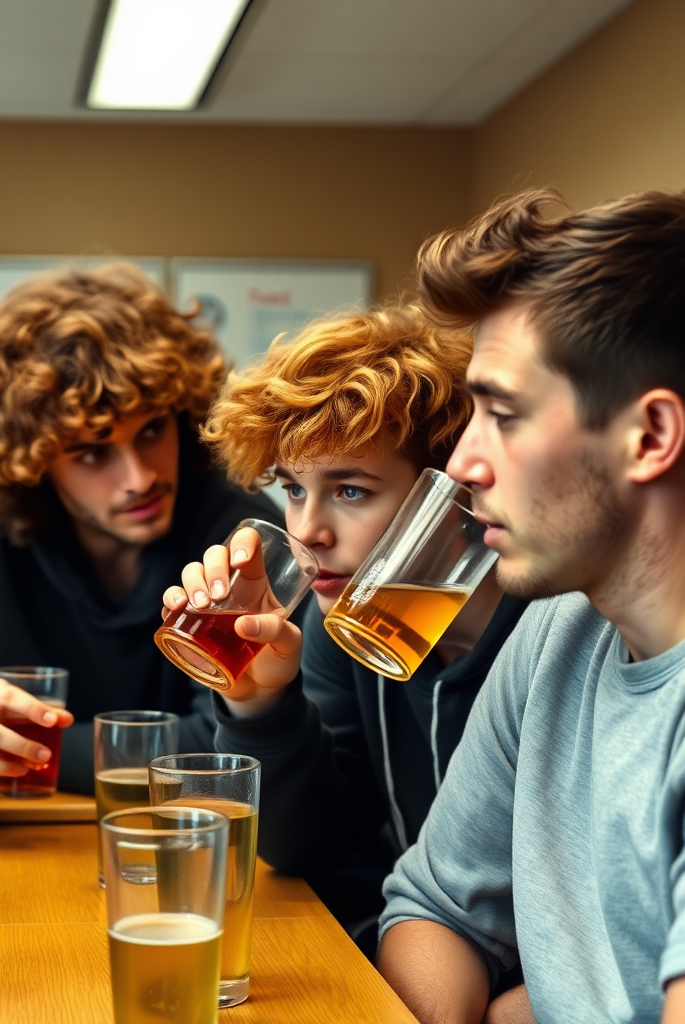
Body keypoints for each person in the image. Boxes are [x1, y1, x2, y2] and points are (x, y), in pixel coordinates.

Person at [374, 189, 685, 1024]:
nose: (464, 461)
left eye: (501, 414)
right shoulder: (560, 627)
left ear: (650, 438)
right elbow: (434, 907)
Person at [160, 303, 528, 951]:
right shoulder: (339, 629)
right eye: (294, 489)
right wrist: (262, 703)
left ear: (452, 493)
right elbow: (308, 845)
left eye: (350, 490)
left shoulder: (549, 633)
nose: (306, 531)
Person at [0, 264, 280, 801]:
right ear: (34, 461)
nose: (139, 477)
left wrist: (11, 753)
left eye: (151, 429)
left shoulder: (239, 534)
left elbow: (231, 751)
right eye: (92, 452)